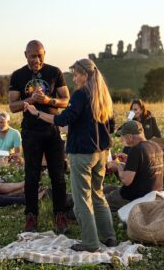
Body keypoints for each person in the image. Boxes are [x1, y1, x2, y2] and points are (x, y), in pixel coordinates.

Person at [25, 58, 116, 252]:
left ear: (85, 75)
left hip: (83, 154)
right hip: (101, 153)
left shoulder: (81, 95)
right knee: (98, 195)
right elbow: (111, 126)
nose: (74, 78)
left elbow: (62, 119)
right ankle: (109, 238)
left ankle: (90, 243)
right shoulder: (103, 95)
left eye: (75, 74)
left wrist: (36, 113)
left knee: (82, 199)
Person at [9, 40, 70, 233]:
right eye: (32, 55)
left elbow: (66, 100)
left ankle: (60, 215)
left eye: (40, 55)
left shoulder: (55, 72)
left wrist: (48, 100)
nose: (36, 59)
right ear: (25, 55)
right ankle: (31, 216)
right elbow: (12, 106)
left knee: (58, 176)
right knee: (31, 176)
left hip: (53, 130)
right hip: (31, 131)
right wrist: (30, 100)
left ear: (45, 54)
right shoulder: (18, 75)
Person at [106, 120, 164, 211]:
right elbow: (145, 168)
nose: (122, 139)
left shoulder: (136, 149)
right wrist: (128, 160)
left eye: (123, 136)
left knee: (97, 201)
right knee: (107, 188)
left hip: (134, 197)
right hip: (153, 194)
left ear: (130, 137)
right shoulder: (155, 146)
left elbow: (126, 180)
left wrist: (118, 166)